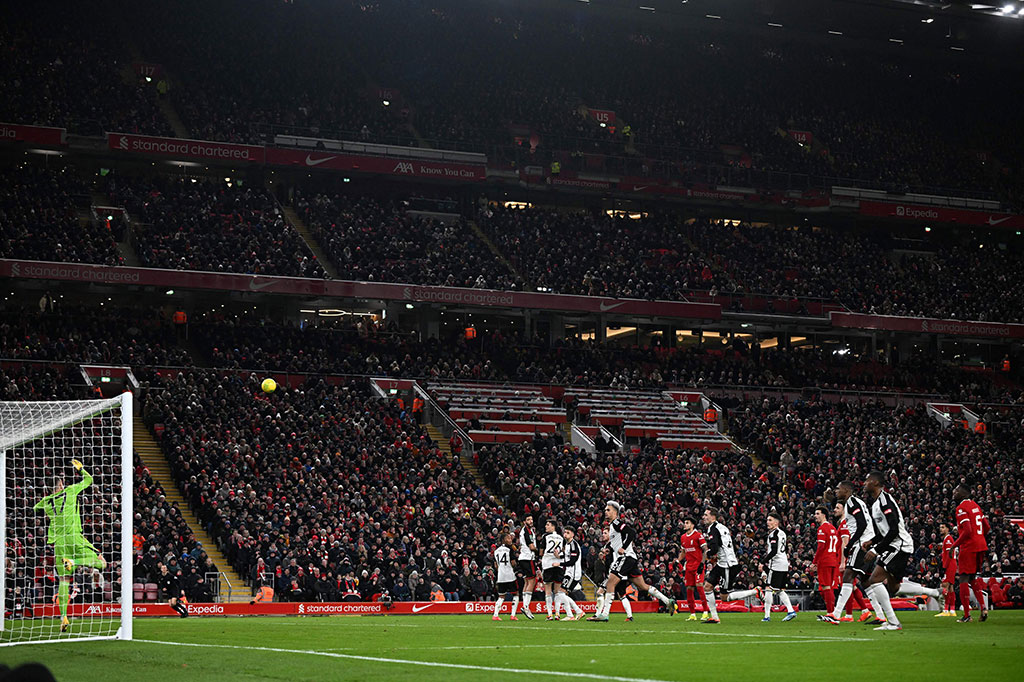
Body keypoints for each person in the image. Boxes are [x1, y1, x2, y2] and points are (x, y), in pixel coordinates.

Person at [32, 459, 108, 632]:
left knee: (64, 580)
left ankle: (64, 616)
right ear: (60, 484)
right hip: (74, 537)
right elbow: (88, 480)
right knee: (102, 563)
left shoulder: (46, 501)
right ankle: (76, 562)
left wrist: (47, 501)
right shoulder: (71, 490)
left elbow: (35, 508)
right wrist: (81, 469)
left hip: (59, 544)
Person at [590, 501, 675, 622]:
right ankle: (667, 601)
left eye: (608, 510)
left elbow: (631, 533)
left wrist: (623, 548)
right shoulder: (613, 526)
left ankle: (604, 614)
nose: (606, 512)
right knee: (643, 586)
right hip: (631, 559)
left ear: (615, 512)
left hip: (625, 557)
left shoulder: (616, 523)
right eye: (605, 510)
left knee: (610, 584)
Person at [861, 471, 914, 631]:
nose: (864, 483)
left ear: (876, 483)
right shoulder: (876, 503)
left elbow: (894, 530)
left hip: (899, 545)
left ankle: (893, 622)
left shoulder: (885, 501)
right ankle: (933, 592)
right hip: (894, 544)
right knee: (893, 588)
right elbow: (884, 532)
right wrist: (872, 541)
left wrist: (876, 550)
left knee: (875, 579)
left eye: (867, 480)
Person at [823, 481, 878, 625]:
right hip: (868, 542)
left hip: (862, 543)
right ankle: (880, 614)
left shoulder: (852, 502)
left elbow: (862, 524)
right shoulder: (853, 503)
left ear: (846, 490)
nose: (836, 491)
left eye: (838, 489)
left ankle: (836, 614)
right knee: (866, 582)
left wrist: (851, 544)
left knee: (848, 575)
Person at [950, 483, 990, 622]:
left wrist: (954, 546)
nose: (953, 493)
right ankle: (983, 608)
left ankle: (967, 615)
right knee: (972, 578)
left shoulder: (961, 508)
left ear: (963, 493)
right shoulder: (975, 506)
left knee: (963, 578)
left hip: (969, 547)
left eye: (956, 490)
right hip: (981, 545)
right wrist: (979, 538)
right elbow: (987, 527)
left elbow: (967, 531)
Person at [701, 507, 737, 624]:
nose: (704, 517)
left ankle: (755, 592)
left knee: (724, 597)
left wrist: (707, 554)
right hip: (723, 562)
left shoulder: (713, 529)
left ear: (713, 517)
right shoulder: (722, 527)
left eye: (706, 515)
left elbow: (715, 548)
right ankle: (715, 617)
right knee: (707, 587)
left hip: (727, 564)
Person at [761, 512, 797, 622]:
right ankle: (791, 611)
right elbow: (784, 548)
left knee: (768, 588)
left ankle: (767, 616)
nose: (768, 522)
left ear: (776, 523)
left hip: (776, 565)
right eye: (767, 520)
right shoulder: (782, 533)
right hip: (784, 564)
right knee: (779, 590)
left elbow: (774, 550)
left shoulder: (774, 534)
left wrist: (763, 562)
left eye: (770, 520)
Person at [677, 515, 707, 621]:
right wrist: (678, 561)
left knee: (699, 586)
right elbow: (683, 551)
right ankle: (693, 614)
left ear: (692, 525)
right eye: (684, 522)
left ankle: (705, 611)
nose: (685, 525)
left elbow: (705, 549)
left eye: (687, 523)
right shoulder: (683, 537)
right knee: (689, 589)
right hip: (688, 567)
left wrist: (702, 563)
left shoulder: (698, 535)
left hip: (698, 566)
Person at [812, 506, 840, 619]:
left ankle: (830, 613)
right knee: (828, 588)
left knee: (826, 587)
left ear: (824, 515)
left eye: (817, 514)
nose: (815, 516)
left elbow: (821, 547)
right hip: (833, 560)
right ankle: (832, 611)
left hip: (825, 561)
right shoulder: (833, 528)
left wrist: (814, 562)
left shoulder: (822, 529)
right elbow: (837, 545)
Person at [540, 519, 566, 620]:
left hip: (548, 565)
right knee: (557, 591)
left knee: (548, 591)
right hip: (558, 565)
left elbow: (541, 552)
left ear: (553, 527)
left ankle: (550, 614)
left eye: (548, 525)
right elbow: (563, 551)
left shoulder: (545, 537)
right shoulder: (561, 537)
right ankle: (558, 613)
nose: (546, 527)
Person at [558, 527, 585, 620]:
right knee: (562, 594)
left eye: (568, 532)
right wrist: (559, 556)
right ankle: (578, 612)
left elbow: (572, 561)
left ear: (573, 535)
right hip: (569, 573)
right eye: (565, 532)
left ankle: (571, 615)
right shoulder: (568, 544)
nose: (565, 534)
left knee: (561, 593)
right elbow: (567, 557)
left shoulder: (573, 545)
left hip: (573, 574)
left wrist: (559, 563)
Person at [492, 533, 520, 621]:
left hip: (500, 576)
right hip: (510, 575)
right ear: (503, 540)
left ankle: (495, 615)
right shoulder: (509, 549)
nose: (510, 539)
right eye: (508, 538)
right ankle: (513, 615)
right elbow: (513, 563)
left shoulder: (496, 551)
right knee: (516, 593)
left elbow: (496, 565)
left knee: (501, 596)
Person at [517, 515, 538, 620]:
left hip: (523, 558)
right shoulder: (527, 531)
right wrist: (540, 551)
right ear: (524, 521)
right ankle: (526, 606)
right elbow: (531, 547)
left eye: (531, 519)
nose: (531, 521)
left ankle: (525, 606)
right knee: (532, 580)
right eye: (528, 519)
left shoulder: (526, 531)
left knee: (526, 581)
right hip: (528, 558)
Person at [937, 522, 958, 617]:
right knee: (950, 587)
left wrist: (944, 567)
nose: (941, 529)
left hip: (950, 565)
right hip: (951, 565)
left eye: (943, 527)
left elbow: (949, 555)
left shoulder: (948, 539)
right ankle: (952, 610)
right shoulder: (947, 539)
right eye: (940, 527)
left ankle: (945, 610)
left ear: (947, 529)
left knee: (944, 586)